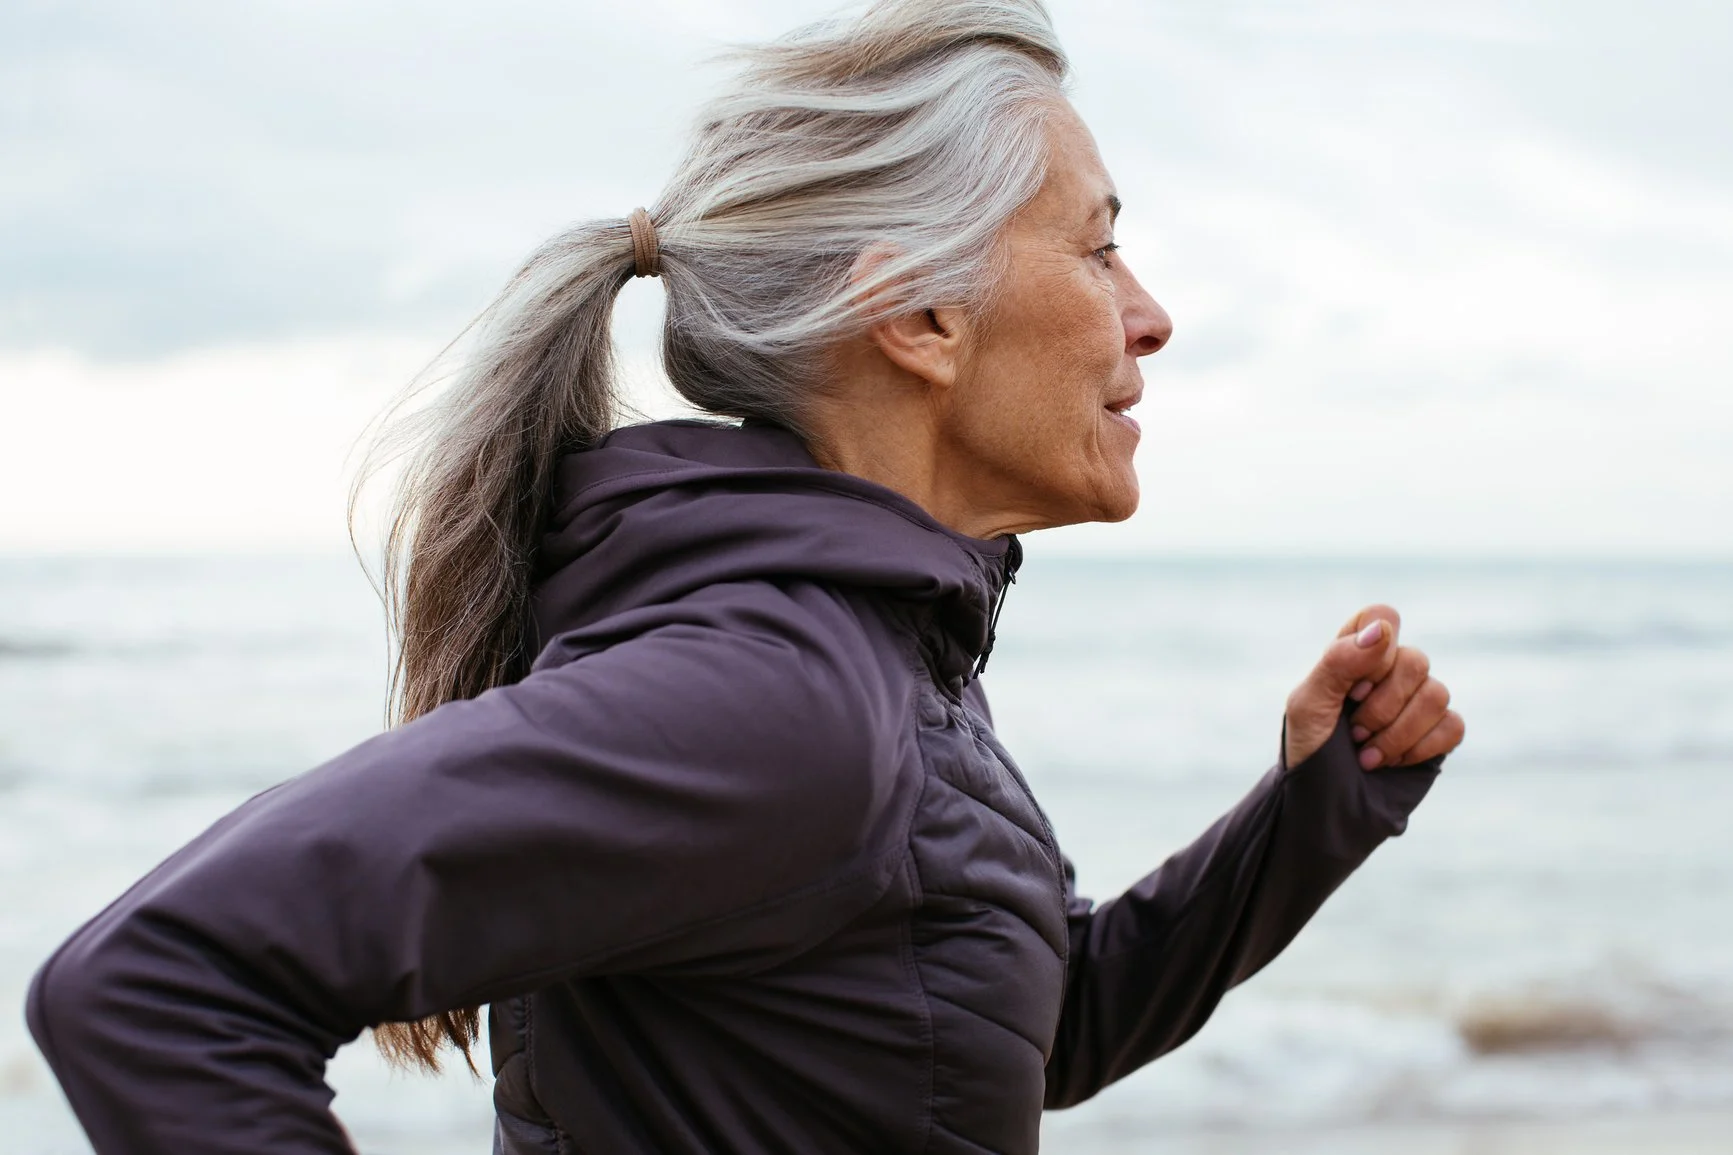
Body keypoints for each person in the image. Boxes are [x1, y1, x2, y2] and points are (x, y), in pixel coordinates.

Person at [25, 1, 1464, 1152]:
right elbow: (156, 985)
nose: (1149, 317)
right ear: (919, 313)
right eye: (1097, 249)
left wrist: (1309, 813)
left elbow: (1031, 1024)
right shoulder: (775, 694)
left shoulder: (880, 654)